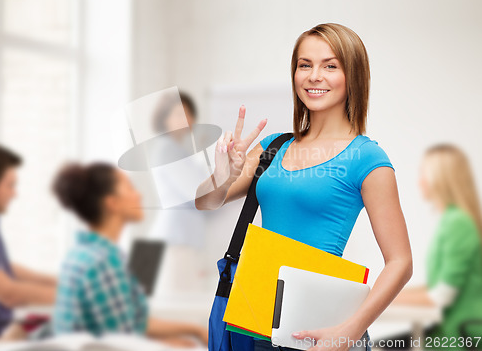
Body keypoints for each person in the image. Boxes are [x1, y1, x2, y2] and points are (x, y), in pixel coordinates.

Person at [195, 23, 413, 351]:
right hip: (256, 320)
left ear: (352, 75)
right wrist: (224, 174)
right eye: (304, 65)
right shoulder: (273, 147)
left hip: (321, 329)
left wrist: (351, 330)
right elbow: (205, 203)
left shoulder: (366, 157)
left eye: (330, 65)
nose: (314, 76)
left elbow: (401, 262)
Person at [51, 162, 208, 348]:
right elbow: (122, 342)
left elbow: (133, 323)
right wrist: (176, 344)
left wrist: (193, 330)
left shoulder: (84, 253)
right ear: (112, 203)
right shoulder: (104, 262)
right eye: (129, 188)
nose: (139, 195)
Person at [388, 144, 482, 350]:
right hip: (448, 331)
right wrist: (380, 295)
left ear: (441, 179)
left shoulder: (458, 223)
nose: (419, 181)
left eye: (424, 173)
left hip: (461, 335)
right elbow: (435, 287)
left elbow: (440, 296)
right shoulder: (451, 219)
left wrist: (378, 299)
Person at [0, 144, 56, 339]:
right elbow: (8, 294)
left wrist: (57, 281)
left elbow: (0, 268)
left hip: (3, 326)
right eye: (10, 185)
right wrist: (74, 296)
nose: (14, 194)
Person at [148, 90, 211, 295]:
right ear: (164, 118)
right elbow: (197, 193)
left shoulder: (176, 150)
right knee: (179, 310)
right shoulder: (168, 150)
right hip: (175, 242)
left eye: (189, 113)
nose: (187, 120)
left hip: (178, 240)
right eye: (178, 114)